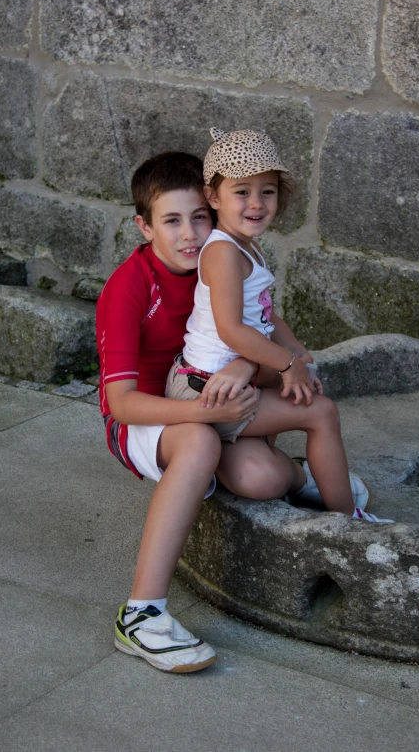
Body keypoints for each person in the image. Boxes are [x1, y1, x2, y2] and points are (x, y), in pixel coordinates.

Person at [96, 151, 328, 675]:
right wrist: (201, 411)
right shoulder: (128, 289)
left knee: (262, 477)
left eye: (199, 217)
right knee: (200, 443)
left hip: (210, 403)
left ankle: (306, 475)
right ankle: (142, 615)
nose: (190, 235)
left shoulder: (220, 259)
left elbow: (260, 324)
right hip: (148, 417)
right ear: (144, 226)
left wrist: (247, 364)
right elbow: (120, 403)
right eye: (171, 221)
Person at [166, 128, 394, 526]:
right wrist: (288, 364)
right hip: (205, 389)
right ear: (213, 197)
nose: (256, 203)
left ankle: (281, 464)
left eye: (267, 191)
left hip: (222, 379)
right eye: (242, 192)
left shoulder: (244, 245)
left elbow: (265, 314)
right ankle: (345, 521)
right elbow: (233, 330)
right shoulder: (222, 253)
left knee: (300, 378)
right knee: (321, 413)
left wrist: (297, 351)